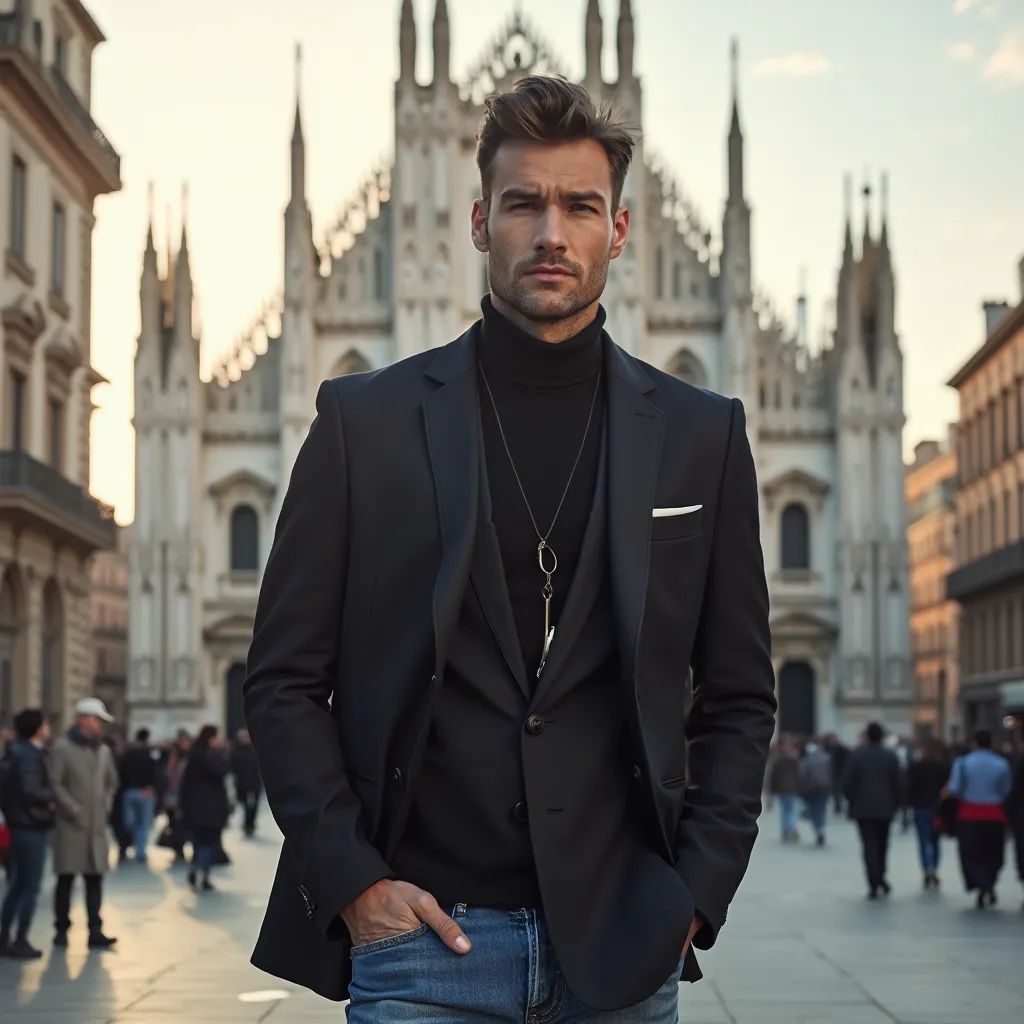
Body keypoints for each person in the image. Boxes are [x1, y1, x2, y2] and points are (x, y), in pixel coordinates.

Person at [242, 74, 776, 1021]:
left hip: (622, 949)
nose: (551, 233)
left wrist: (694, 895)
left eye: (581, 206)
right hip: (421, 954)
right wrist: (355, 881)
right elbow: (282, 678)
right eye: (524, 204)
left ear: (620, 229)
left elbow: (738, 694)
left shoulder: (704, 432)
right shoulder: (362, 419)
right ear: (479, 220)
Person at [49, 697, 119, 948]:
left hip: (96, 827)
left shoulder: (103, 750)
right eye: (98, 719)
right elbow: (55, 782)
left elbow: (112, 782)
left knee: (94, 880)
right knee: (66, 880)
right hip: (71, 826)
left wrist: (106, 805)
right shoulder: (62, 748)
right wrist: (74, 809)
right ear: (84, 719)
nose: (100, 725)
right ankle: (61, 929)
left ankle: (95, 930)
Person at [0, 709, 56, 958]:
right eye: (46, 724)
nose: (48, 728)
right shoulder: (29, 754)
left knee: (17, 885)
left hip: (19, 824)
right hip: (30, 825)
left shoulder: (16, 751)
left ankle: (4, 937)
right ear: (38, 728)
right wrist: (50, 799)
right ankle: (20, 937)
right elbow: (30, 789)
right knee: (29, 886)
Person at [946, 729, 1011, 909]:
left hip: (969, 813)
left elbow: (955, 788)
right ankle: (989, 879)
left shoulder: (963, 763)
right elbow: (1006, 790)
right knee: (994, 852)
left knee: (971, 853)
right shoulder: (1002, 764)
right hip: (994, 814)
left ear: (973, 743)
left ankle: (981, 883)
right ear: (991, 743)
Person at [843, 721, 901, 899]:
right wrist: (896, 804)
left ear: (867, 736)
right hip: (885, 808)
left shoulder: (857, 755)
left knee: (868, 845)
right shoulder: (890, 756)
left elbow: (847, 782)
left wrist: (853, 800)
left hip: (863, 808)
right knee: (883, 844)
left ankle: (873, 881)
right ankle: (881, 876)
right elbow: (898, 782)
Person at [179, 725, 230, 892]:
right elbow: (222, 770)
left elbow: (185, 784)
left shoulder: (193, 756)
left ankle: (195, 870)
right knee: (208, 843)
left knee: (199, 842)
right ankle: (202, 874)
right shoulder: (210, 756)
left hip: (194, 808)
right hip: (210, 809)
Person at [905, 738, 949, 890]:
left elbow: (909, 787)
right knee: (935, 840)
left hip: (920, 807)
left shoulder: (916, 767)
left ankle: (926, 870)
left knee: (923, 840)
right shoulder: (942, 767)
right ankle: (934, 868)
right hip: (937, 809)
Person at [118, 728, 158, 863]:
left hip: (129, 791)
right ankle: (139, 850)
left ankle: (135, 845)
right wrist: (150, 785)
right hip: (144, 791)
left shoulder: (128, 754)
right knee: (143, 823)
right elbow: (155, 772)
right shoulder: (149, 754)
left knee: (131, 821)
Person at [798, 738, 833, 847]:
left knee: (813, 810)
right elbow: (831, 773)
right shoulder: (827, 757)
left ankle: (818, 829)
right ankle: (820, 828)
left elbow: (802, 774)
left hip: (811, 788)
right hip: (824, 787)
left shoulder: (808, 759)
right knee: (821, 808)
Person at [229, 729, 262, 838]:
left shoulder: (256, 750)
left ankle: (250, 824)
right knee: (246, 805)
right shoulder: (236, 751)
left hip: (255, 782)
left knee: (254, 805)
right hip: (242, 783)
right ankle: (247, 824)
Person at [768, 738, 801, 843]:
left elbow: (773, 777)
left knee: (785, 811)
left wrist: (771, 792)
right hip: (791, 788)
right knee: (789, 810)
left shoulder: (778, 760)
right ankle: (790, 828)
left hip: (782, 789)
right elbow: (799, 774)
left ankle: (787, 830)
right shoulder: (793, 759)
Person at [822, 733, 850, 814]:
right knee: (835, 792)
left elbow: (848, 759)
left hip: (840, 772)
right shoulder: (826, 748)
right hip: (830, 773)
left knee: (841, 792)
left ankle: (841, 807)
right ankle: (837, 807)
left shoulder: (842, 749)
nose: (832, 741)